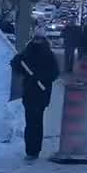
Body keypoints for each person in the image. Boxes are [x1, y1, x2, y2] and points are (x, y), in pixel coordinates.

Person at [11, 28, 60, 160]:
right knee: (32, 122)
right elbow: (16, 64)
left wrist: (40, 77)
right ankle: (31, 151)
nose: (37, 41)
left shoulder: (47, 55)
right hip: (31, 92)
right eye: (36, 38)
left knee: (36, 122)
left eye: (39, 39)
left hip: (40, 92)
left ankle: (34, 150)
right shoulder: (27, 53)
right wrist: (17, 63)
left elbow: (54, 73)